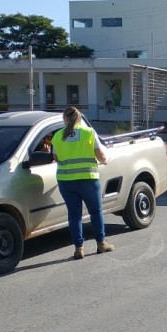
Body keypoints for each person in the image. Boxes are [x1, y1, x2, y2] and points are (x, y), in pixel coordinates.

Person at [51, 106, 114, 260]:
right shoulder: (88, 132)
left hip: (66, 182)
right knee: (95, 211)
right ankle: (101, 243)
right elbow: (99, 154)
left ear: (65, 118)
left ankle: (79, 248)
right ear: (79, 118)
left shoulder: (57, 136)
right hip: (88, 179)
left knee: (74, 215)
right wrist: (105, 161)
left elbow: (56, 157)